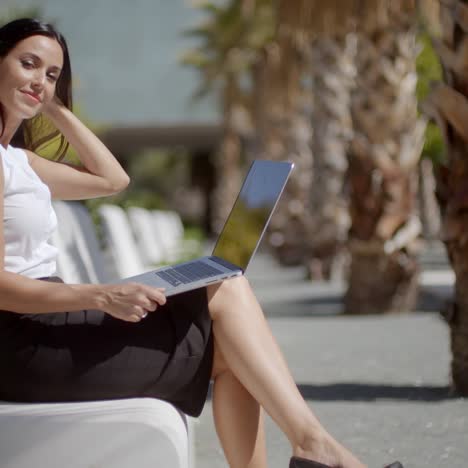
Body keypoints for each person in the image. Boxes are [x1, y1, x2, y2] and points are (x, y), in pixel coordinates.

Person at [0, 18, 403, 468]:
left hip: (52, 322)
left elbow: (113, 179)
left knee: (228, 309)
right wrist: (100, 293)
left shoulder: (20, 160)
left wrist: (53, 106)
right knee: (227, 303)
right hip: (23, 344)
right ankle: (317, 448)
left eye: (52, 74)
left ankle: (315, 447)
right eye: (28, 64)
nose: (40, 80)